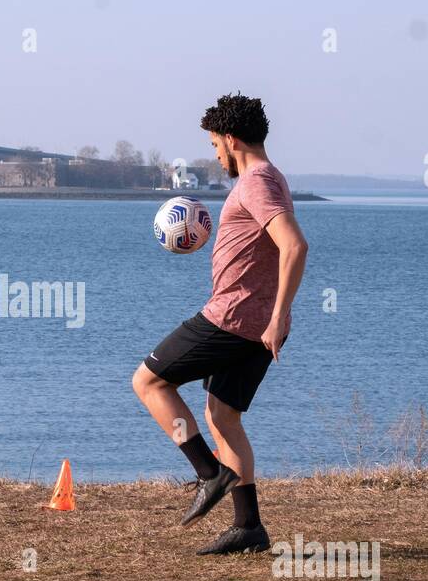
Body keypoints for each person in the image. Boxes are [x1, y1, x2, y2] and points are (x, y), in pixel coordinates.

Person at [132, 93, 308, 555]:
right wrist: (277, 318)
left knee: (148, 382)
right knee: (223, 416)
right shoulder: (271, 178)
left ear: (231, 139)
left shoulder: (256, 182)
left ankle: (208, 474)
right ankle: (248, 526)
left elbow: (294, 247)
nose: (214, 154)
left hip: (233, 319)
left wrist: (275, 317)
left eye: (214, 144)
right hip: (258, 323)